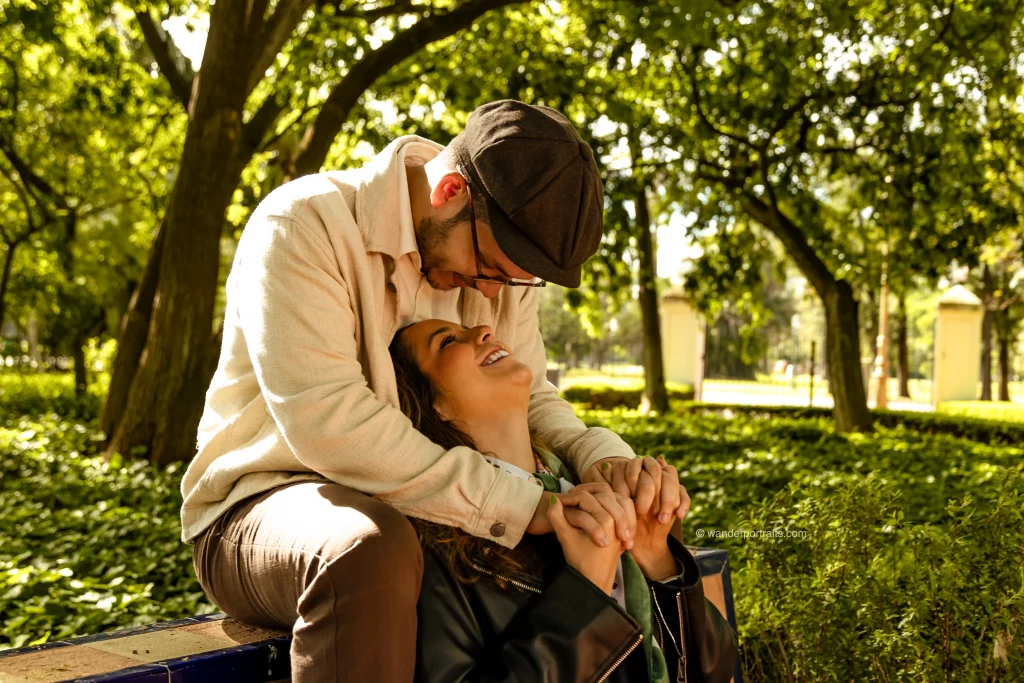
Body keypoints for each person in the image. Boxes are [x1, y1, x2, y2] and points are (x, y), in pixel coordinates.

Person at [182, 100, 686, 682]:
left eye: (513, 281)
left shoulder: (498, 257)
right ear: (450, 190)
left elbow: (534, 397)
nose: (492, 295)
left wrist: (604, 462)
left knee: (637, 517)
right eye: (490, 269)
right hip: (261, 507)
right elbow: (328, 423)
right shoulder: (304, 224)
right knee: (367, 548)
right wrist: (530, 505)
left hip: (415, 504)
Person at [388, 318, 739, 683]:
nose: (483, 330)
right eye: (447, 342)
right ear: (431, 407)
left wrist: (658, 558)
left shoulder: (586, 485)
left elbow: (713, 671)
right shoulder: (440, 552)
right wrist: (585, 592)